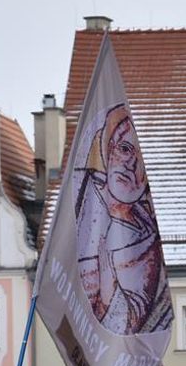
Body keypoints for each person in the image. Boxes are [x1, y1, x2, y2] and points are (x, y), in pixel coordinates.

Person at [72, 103, 170, 335]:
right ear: (107, 148)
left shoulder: (146, 241)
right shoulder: (84, 198)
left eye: (140, 166)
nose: (131, 166)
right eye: (124, 149)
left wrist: (109, 286)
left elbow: (131, 322)